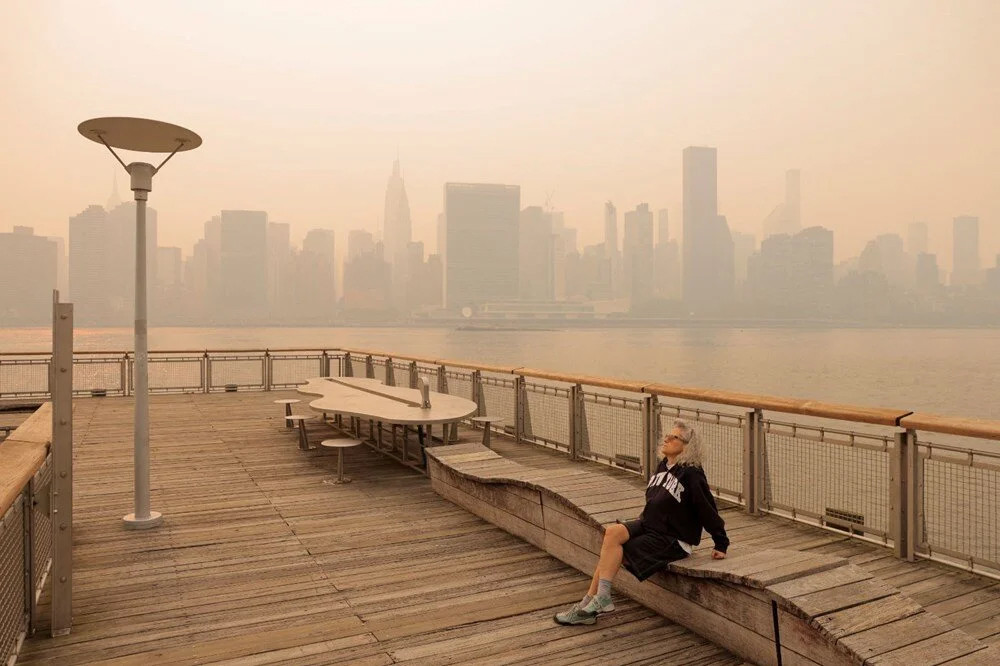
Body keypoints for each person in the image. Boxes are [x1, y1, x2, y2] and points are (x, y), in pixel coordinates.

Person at [554, 419, 730, 625]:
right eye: (668, 435)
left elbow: (706, 509)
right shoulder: (663, 466)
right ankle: (595, 600)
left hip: (672, 538)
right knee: (612, 533)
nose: (667, 438)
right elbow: (655, 502)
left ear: (687, 447)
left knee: (614, 552)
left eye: (674, 437)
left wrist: (721, 542)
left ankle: (589, 605)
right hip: (650, 526)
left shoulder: (691, 474)